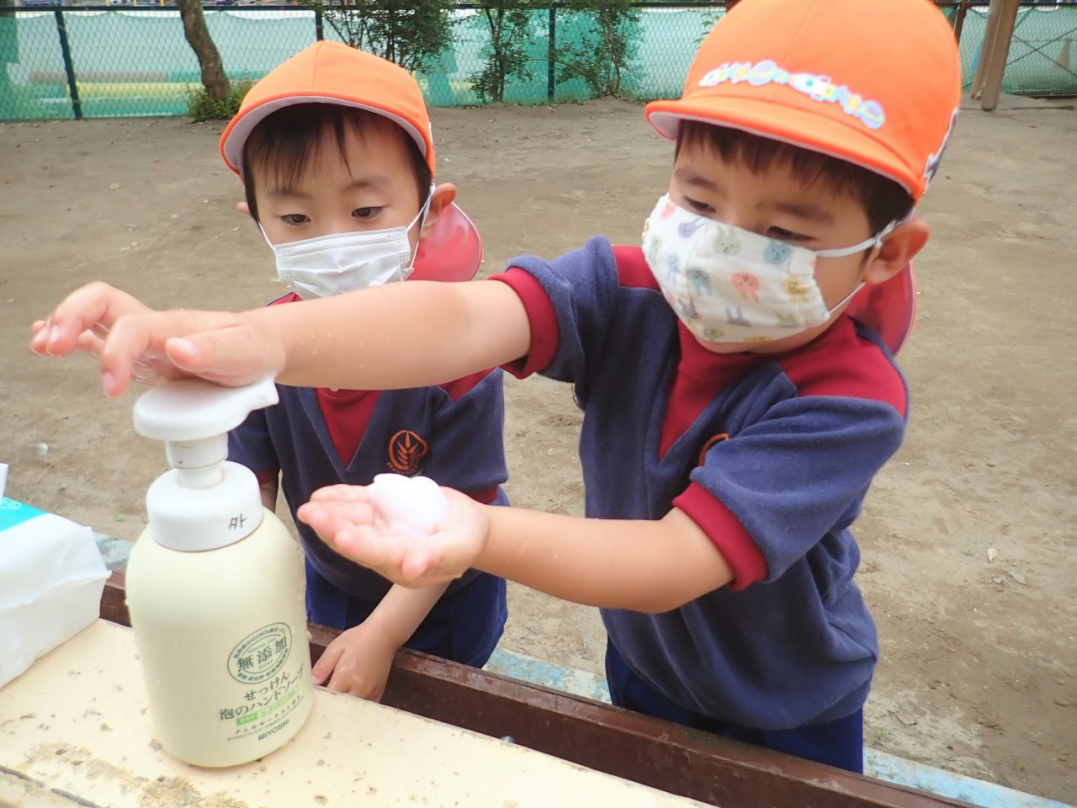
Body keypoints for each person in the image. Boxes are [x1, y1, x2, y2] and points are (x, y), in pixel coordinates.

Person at [32, 0, 961, 771]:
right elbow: (460, 318)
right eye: (700, 199)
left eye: (788, 231)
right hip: (641, 673)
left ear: (885, 252)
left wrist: (477, 529)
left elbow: (676, 562)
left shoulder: (844, 397)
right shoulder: (628, 291)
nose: (723, 248)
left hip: (787, 703)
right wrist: (238, 339)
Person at [66, 41, 511, 703]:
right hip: (329, 578)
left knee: (435, 717)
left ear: (429, 214)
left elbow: (463, 520)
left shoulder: (459, 363)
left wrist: (384, 634)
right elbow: (249, 483)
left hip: (440, 600)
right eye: (297, 218)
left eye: (364, 212)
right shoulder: (261, 352)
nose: (331, 241)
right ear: (261, 223)